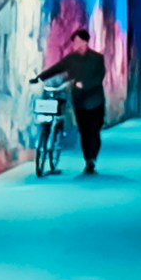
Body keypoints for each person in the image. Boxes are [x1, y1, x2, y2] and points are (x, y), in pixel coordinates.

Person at [40, 22, 110, 177]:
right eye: (74, 42)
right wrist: (39, 78)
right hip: (80, 102)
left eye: (78, 41)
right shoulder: (71, 59)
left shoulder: (97, 59)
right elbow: (57, 68)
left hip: (95, 101)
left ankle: (92, 158)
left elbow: (99, 77)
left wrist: (84, 84)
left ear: (85, 42)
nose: (75, 44)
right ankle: (88, 160)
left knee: (94, 131)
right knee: (84, 132)